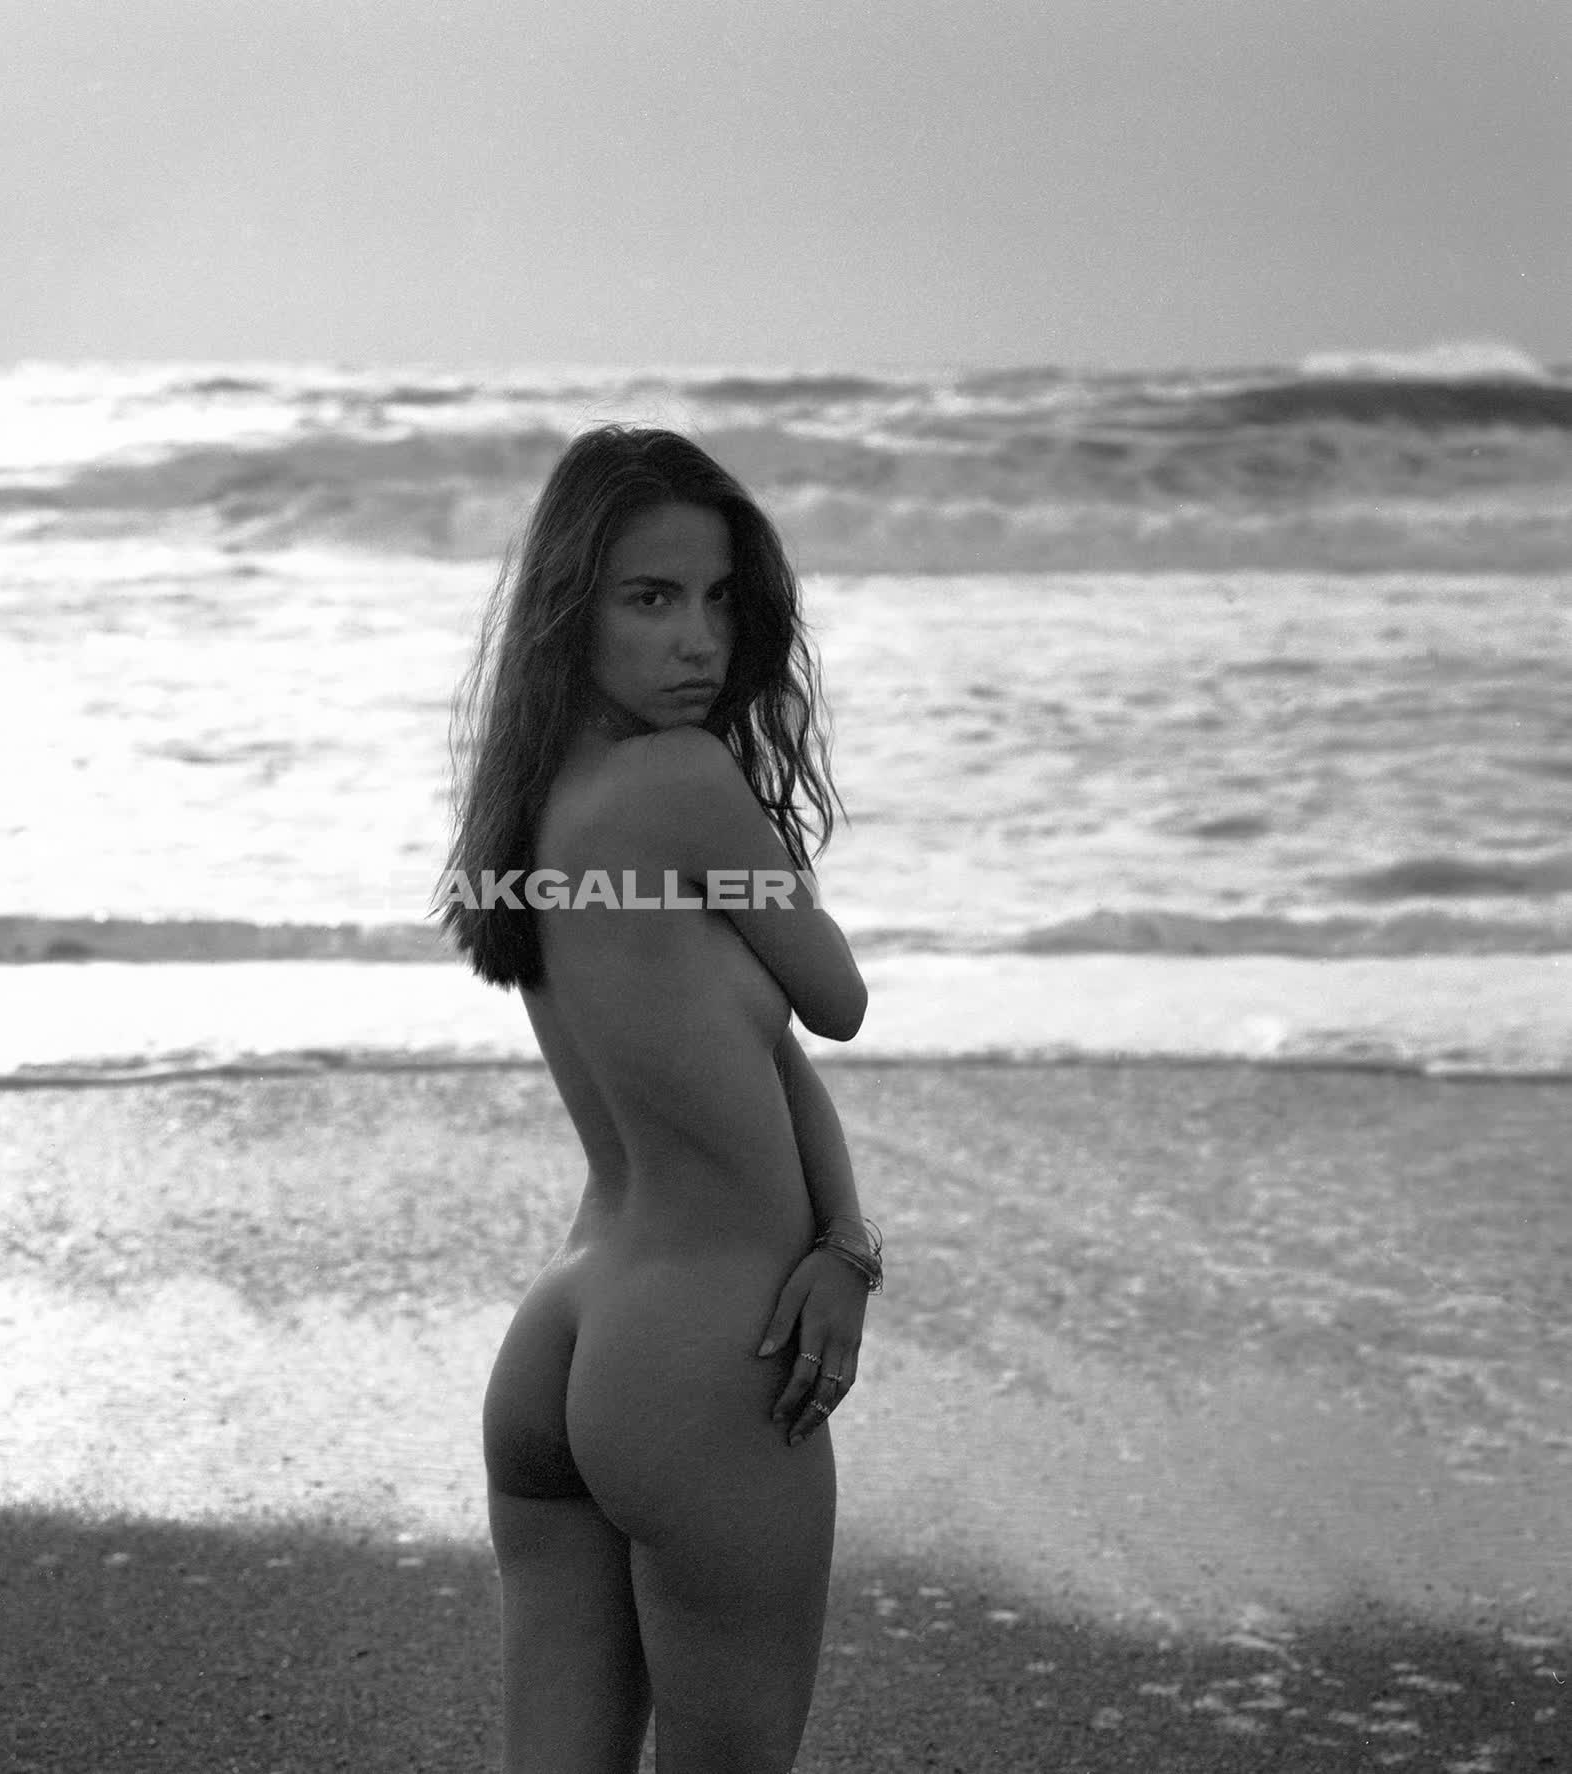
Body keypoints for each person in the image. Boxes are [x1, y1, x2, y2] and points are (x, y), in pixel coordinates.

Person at [440, 425, 880, 1773]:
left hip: (567, 1334)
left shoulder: (525, 817)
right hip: (701, 1351)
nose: (700, 640)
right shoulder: (684, 782)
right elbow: (834, 996)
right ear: (571, 608)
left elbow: (758, 1046)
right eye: (651, 598)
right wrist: (835, 1249)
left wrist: (847, 1243)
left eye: (719, 598)